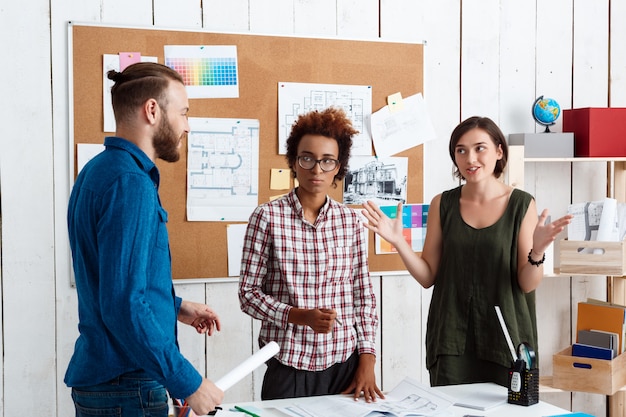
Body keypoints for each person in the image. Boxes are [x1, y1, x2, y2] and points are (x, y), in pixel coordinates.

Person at [362, 116, 573, 387]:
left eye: (479, 148)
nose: (470, 158)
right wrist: (399, 241)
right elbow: (428, 276)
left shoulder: (521, 204)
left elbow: (527, 283)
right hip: (451, 341)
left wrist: (538, 251)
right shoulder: (443, 204)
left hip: (507, 340)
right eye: (461, 150)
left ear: (499, 151)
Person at [66, 62, 223, 417]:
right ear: (152, 110)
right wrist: (188, 382)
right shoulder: (130, 183)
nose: (186, 125)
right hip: (127, 386)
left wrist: (175, 305)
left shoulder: (99, 170)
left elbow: (113, 281)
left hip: (112, 385)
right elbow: (123, 303)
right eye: (183, 112)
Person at [239, 107, 384, 402]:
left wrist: (367, 359)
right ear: (294, 161)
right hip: (289, 365)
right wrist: (298, 316)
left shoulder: (350, 221)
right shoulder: (267, 218)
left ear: (338, 166)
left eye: (327, 161)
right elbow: (248, 294)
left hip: (346, 363)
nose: (317, 170)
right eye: (307, 158)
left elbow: (364, 296)